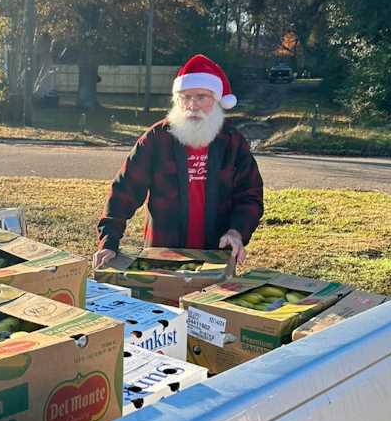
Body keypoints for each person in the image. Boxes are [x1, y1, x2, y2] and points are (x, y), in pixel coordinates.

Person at [93, 54, 264, 268]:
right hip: (163, 254)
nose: (192, 105)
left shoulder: (232, 142)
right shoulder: (156, 139)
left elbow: (249, 195)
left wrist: (237, 231)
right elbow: (123, 191)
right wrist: (109, 241)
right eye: (186, 97)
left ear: (217, 100)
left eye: (201, 97)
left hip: (216, 256)